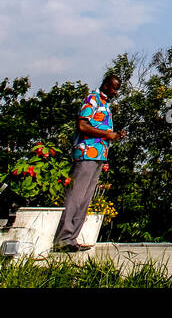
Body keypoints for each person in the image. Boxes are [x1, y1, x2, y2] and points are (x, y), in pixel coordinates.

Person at [53, 75, 126, 252]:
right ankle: (63, 238)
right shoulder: (92, 99)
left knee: (85, 199)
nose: (116, 92)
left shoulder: (105, 104)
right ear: (106, 85)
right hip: (86, 152)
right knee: (76, 196)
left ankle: (72, 239)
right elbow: (83, 126)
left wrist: (115, 135)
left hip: (99, 155)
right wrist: (107, 135)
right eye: (114, 88)